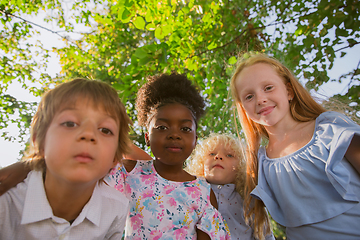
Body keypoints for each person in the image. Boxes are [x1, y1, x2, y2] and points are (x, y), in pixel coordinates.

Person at [230, 52, 360, 239]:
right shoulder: (260, 163)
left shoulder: (329, 130)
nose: (260, 99)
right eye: (249, 97)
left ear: (289, 91)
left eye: (268, 87)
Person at [0, 78, 130, 239]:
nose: (88, 134)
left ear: (115, 158)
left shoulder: (117, 209)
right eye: (70, 123)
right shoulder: (5, 202)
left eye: (105, 130)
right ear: (39, 141)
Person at [105, 73, 231, 239]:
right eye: (162, 127)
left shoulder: (203, 191)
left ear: (195, 140)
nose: (174, 135)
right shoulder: (127, 173)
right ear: (147, 137)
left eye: (185, 129)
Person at [186, 132, 275, 240]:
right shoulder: (189, 194)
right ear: (201, 163)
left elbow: (265, 236)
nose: (218, 156)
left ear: (240, 167)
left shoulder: (249, 202)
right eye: (212, 154)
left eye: (229, 155)